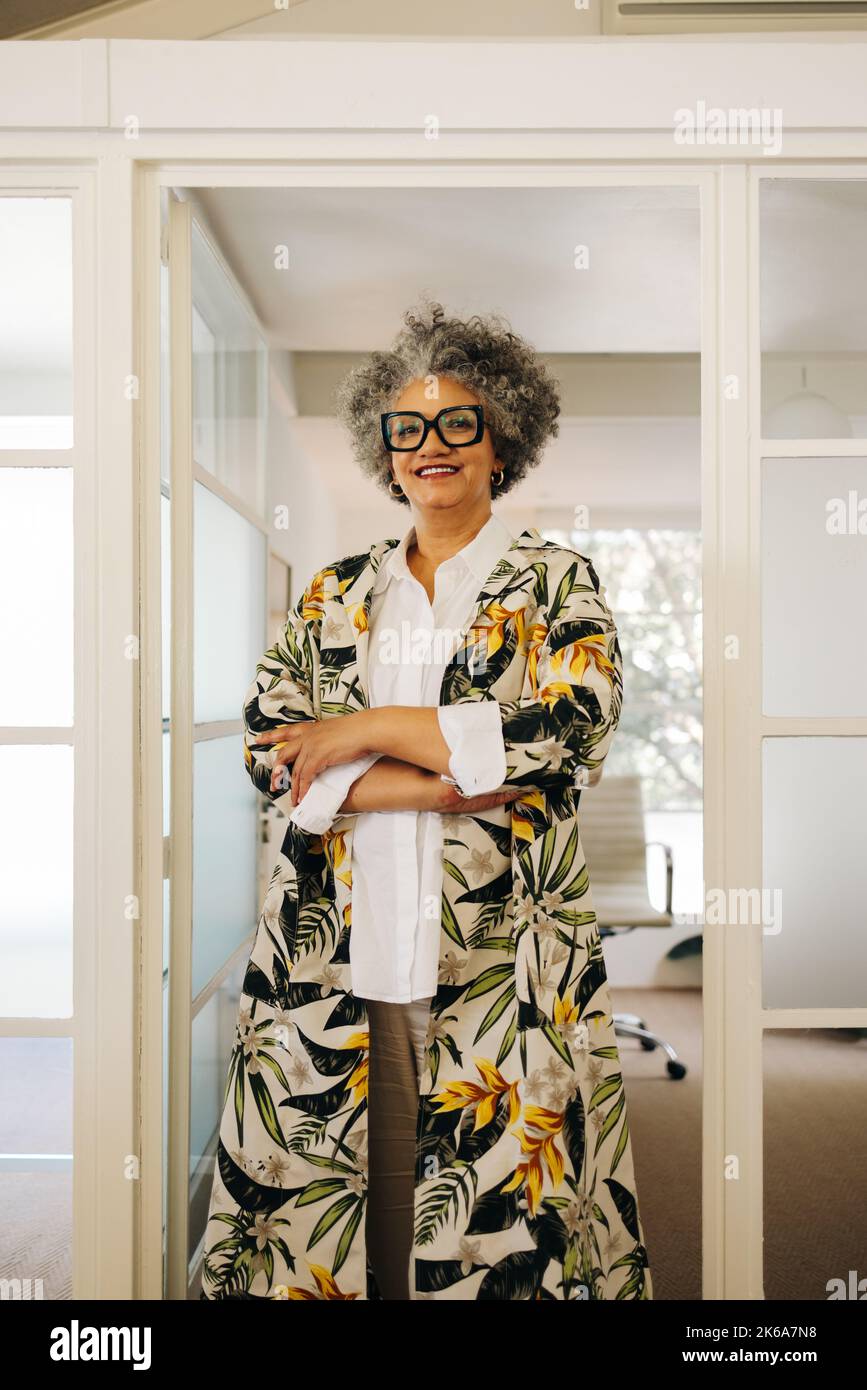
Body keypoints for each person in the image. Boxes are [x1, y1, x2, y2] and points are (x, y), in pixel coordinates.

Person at [199, 298, 652, 1301]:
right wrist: (450, 773)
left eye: (459, 423)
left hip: (505, 965)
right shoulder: (331, 594)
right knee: (339, 1213)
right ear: (384, 449)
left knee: (505, 1219)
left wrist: (358, 730)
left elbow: (567, 732)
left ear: (503, 441)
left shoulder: (555, 583)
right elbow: (272, 751)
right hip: (332, 963)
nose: (430, 446)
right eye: (407, 428)